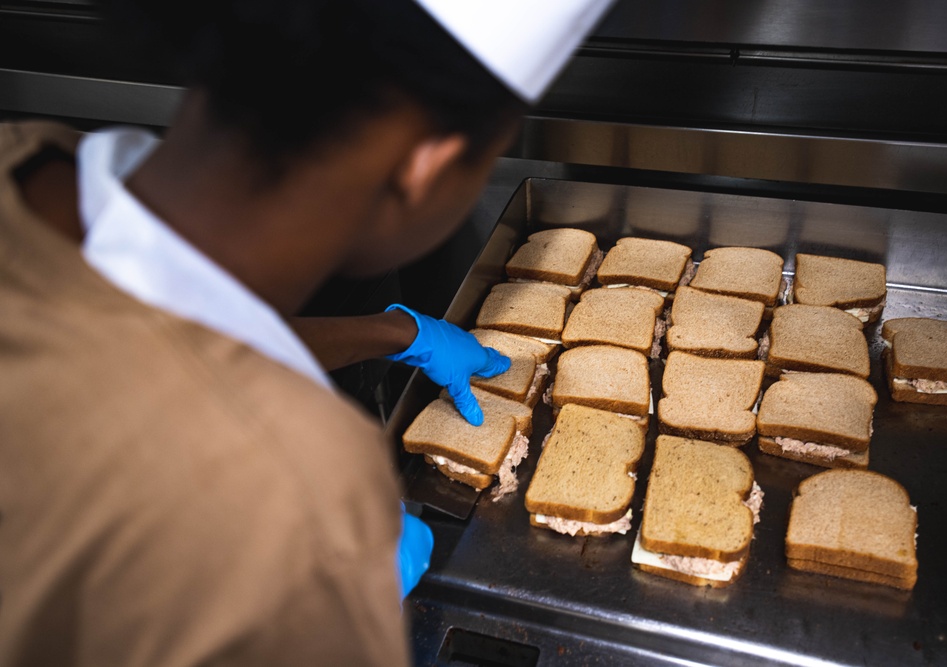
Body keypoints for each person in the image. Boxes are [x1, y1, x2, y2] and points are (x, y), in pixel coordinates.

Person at [0, 0, 613, 664]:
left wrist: (394, 333)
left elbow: (141, 336)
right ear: (426, 165)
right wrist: (326, 587)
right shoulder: (304, 494)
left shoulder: (26, 157)